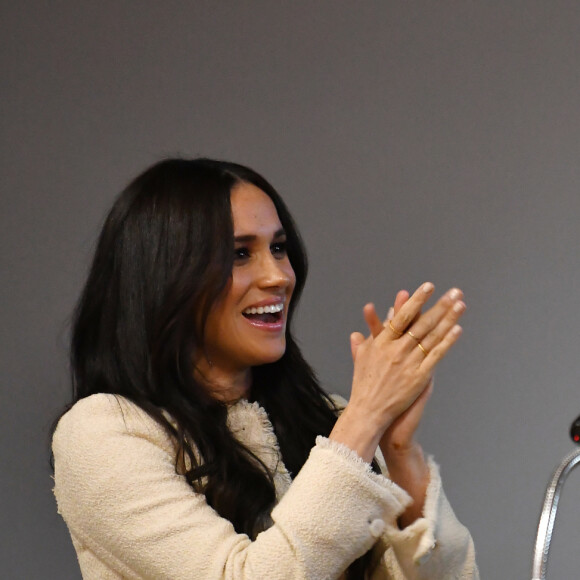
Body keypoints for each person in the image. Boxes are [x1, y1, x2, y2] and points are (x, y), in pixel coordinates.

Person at [52, 158, 479, 579]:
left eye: (278, 247)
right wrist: (366, 417)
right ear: (165, 278)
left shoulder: (330, 419)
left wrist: (398, 448)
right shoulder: (102, 431)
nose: (277, 276)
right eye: (240, 253)